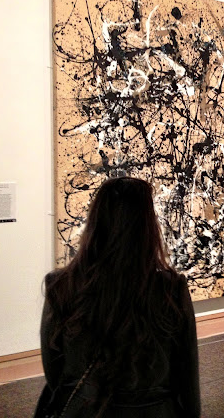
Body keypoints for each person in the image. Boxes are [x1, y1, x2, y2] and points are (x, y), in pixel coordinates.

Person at [35, 177, 200, 417]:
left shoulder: (61, 286)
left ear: (95, 223)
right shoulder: (170, 289)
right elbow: (186, 376)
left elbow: (55, 373)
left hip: (85, 411)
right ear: (147, 227)